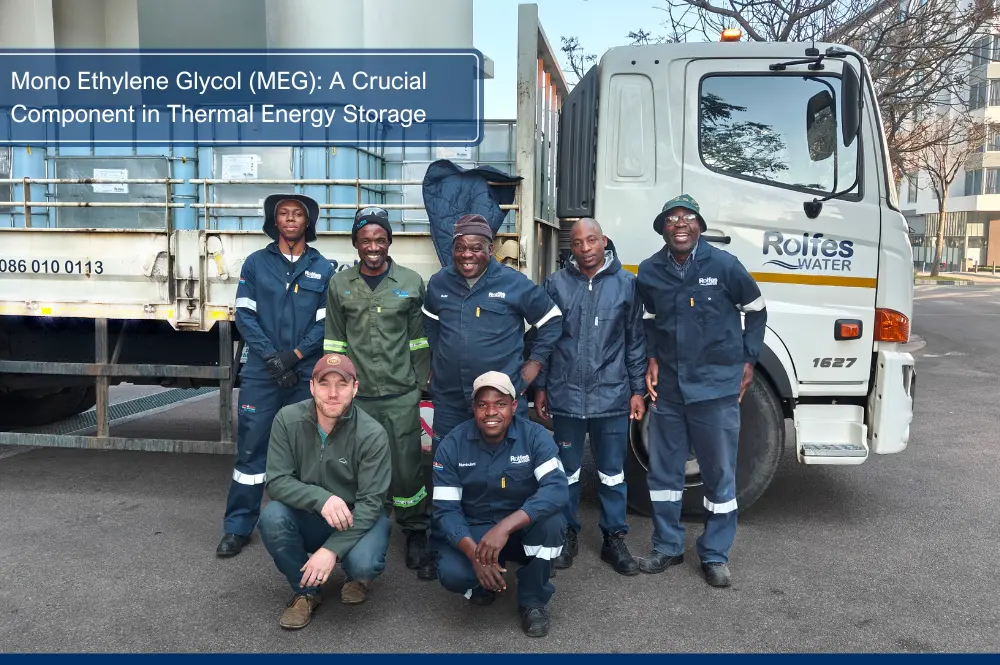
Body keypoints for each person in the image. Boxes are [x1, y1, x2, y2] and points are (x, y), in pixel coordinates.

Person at [634, 194, 767, 587]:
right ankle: (667, 546)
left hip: (716, 389)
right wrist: (652, 357)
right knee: (664, 474)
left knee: (719, 475)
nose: (680, 223)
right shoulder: (649, 270)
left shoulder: (724, 265)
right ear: (662, 228)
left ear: (700, 226)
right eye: (672, 218)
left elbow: (756, 309)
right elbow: (648, 320)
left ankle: (714, 554)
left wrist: (748, 359)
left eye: (688, 217)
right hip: (670, 391)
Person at [217, 193, 334, 558]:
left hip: (304, 371)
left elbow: (325, 322)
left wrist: (294, 356)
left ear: (307, 222)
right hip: (262, 372)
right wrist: (272, 359)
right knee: (251, 450)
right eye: (284, 213)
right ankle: (237, 527)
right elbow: (244, 315)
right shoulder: (255, 263)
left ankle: (305, 525)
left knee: (306, 451)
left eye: (297, 213)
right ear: (274, 221)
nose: (290, 218)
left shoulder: (323, 267)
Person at [324, 206, 434, 579]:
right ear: (355, 243)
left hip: (401, 394)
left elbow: (419, 340)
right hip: (358, 397)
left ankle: (415, 529)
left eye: (380, 239)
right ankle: (366, 528)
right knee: (359, 467)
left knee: (407, 467)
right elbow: (335, 342)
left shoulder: (411, 282)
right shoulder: (340, 285)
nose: (374, 246)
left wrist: (419, 386)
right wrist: (336, 390)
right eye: (366, 240)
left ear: (389, 242)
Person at [535, 218, 647, 576]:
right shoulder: (556, 284)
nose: (585, 248)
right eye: (578, 242)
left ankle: (614, 538)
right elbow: (546, 340)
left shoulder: (627, 284)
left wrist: (637, 390)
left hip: (611, 397)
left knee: (612, 474)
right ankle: (567, 533)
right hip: (566, 396)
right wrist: (541, 387)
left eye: (592, 240)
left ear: (604, 241)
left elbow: (635, 342)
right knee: (566, 473)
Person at [257, 353, 393, 630]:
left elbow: (371, 503)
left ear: (355, 388)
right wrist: (322, 499)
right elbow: (277, 481)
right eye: (324, 383)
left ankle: (356, 577)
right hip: (310, 515)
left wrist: (331, 550)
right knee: (272, 517)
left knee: (364, 564)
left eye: (342, 384)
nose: (332, 393)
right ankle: (306, 592)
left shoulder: (372, 434)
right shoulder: (287, 419)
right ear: (311, 387)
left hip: (356, 517)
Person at [431, 371, 569, 638]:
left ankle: (533, 599)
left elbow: (556, 489)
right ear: (473, 408)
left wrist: (505, 527)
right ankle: (481, 584)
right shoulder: (452, 445)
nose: (491, 412)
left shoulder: (535, 436)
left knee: (552, 525)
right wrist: (474, 555)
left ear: (514, 407)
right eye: (482, 404)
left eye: (500, 404)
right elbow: (446, 511)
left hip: (520, 529)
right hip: (476, 530)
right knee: (451, 573)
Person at [422, 213, 563, 442]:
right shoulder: (439, 282)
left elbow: (552, 319)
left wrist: (536, 361)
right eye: (460, 248)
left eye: (476, 248)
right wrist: (438, 355)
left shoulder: (513, 283)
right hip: (450, 399)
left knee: (504, 459)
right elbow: (430, 319)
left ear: (490, 249)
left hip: (499, 400)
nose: (467, 254)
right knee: (447, 458)